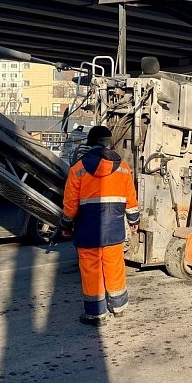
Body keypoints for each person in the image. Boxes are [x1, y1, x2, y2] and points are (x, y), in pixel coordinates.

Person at [60, 125, 140, 326]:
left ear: (90, 142)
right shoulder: (123, 168)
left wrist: (66, 225)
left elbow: (70, 203)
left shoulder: (78, 169)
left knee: (91, 270)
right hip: (113, 230)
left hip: (88, 231)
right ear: (108, 142)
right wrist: (134, 220)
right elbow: (131, 198)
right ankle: (119, 306)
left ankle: (96, 314)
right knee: (114, 266)